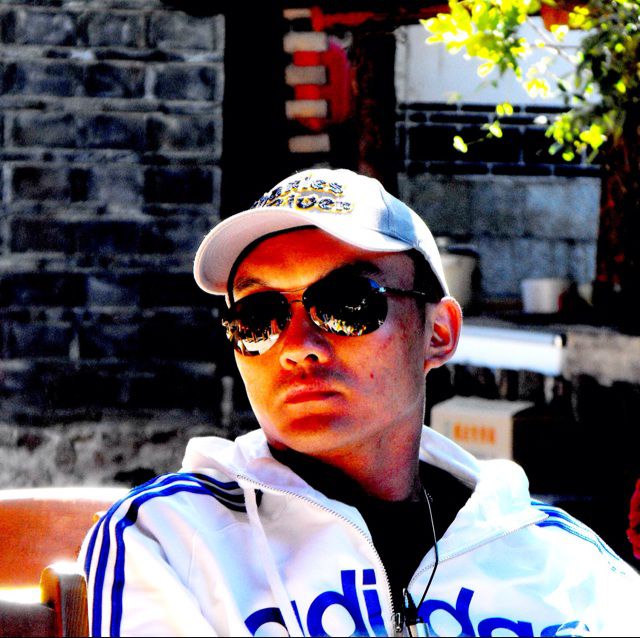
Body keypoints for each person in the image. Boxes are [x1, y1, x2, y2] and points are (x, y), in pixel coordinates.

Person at [81, 167, 640, 637]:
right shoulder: (167, 539)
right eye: (257, 316)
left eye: (348, 304)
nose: (296, 347)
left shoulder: (564, 564)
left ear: (438, 332)